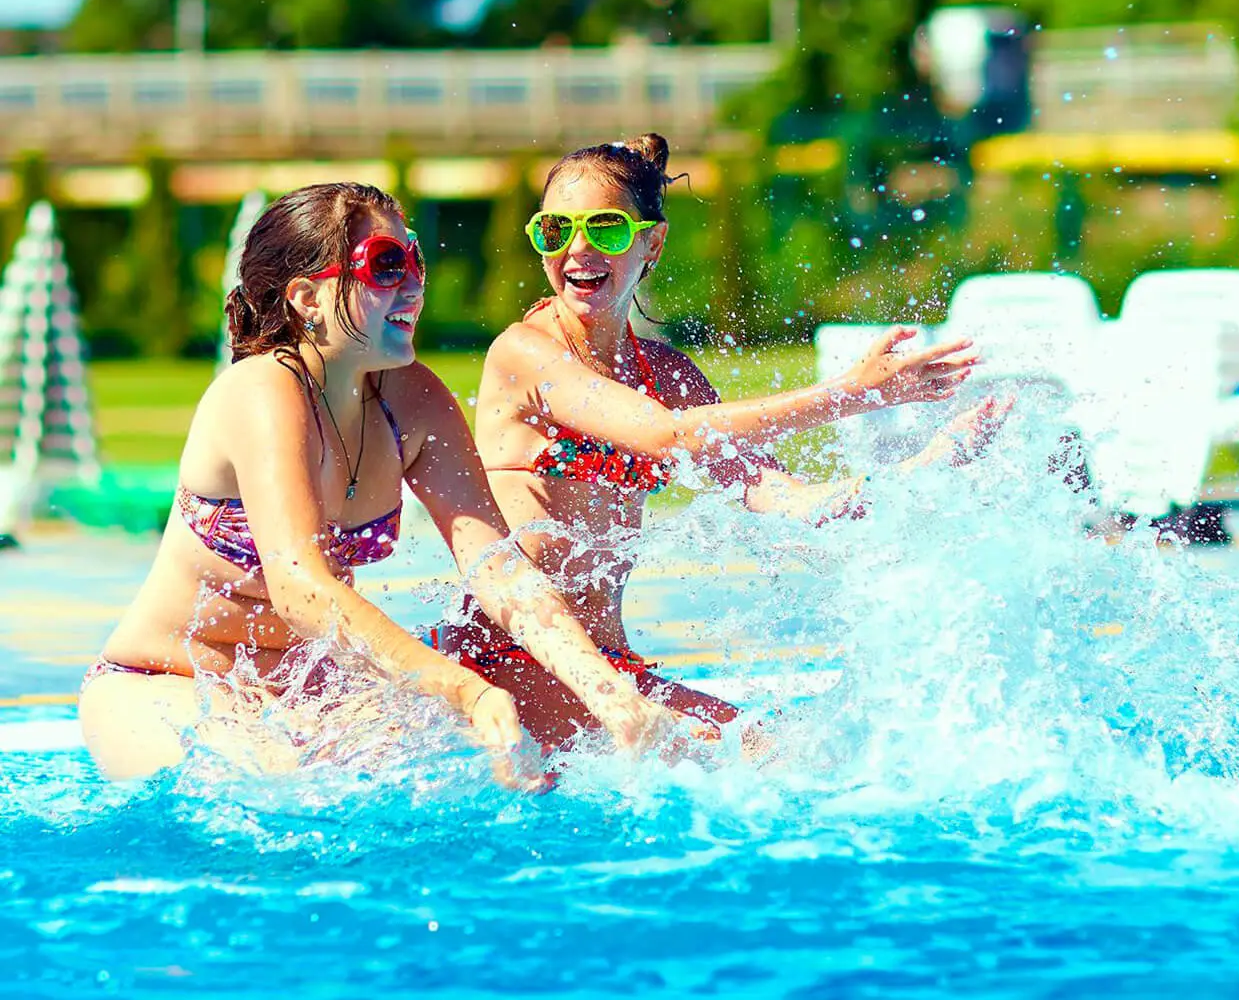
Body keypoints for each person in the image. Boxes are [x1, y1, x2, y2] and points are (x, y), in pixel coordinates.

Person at [78, 183, 682, 789]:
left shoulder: (413, 401)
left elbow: (500, 568)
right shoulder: (260, 392)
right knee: (286, 788)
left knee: (501, 771)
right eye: (386, 264)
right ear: (307, 297)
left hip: (310, 691)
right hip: (165, 684)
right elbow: (303, 590)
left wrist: (609, 695)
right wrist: (466, 693)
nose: (415, 284)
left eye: (415, 259)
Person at [440, 134, 1009, 748]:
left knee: (792, 752)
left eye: (604, 229)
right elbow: (666, 436)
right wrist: (853, 393)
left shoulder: (667, 376)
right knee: (753, 757)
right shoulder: (524, 355)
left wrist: (920, 471)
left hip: (609, 664)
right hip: (513, 657)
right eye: (555, 231)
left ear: (650, 241)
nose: (577, 249)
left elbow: (785, 495)